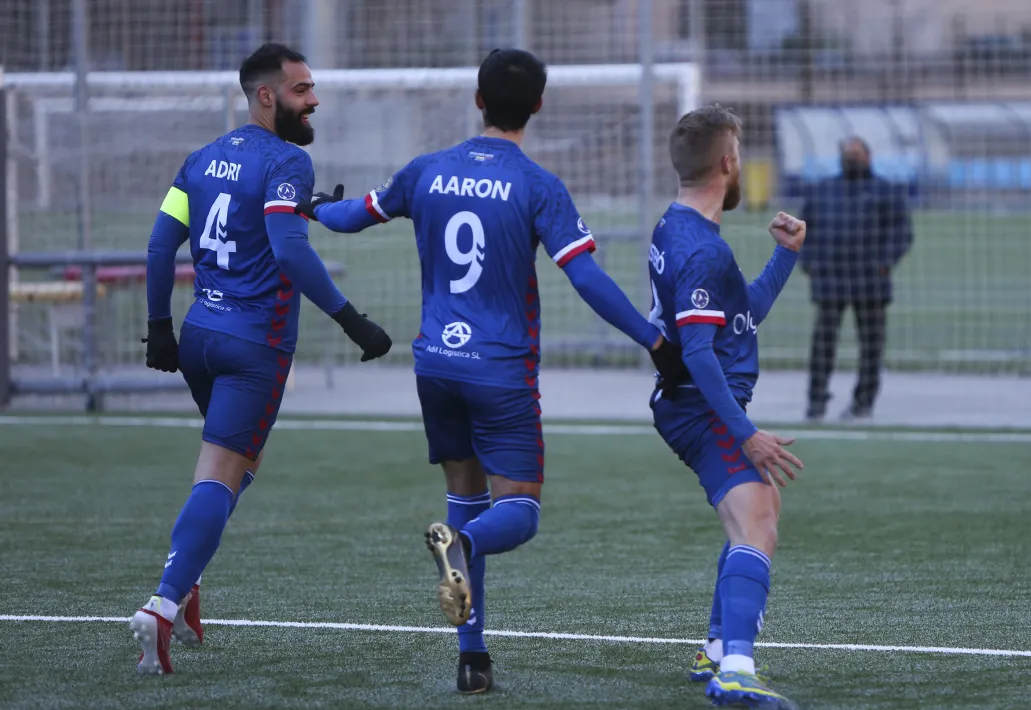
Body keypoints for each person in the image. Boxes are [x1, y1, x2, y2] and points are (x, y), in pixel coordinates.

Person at [295, 48, 684, 694]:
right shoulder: (537, 184)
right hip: (499, 371)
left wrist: (312, 207)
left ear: (477, 100)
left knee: (465, 502)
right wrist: (653, 340)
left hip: (436, 365)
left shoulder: (425, 170)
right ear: (538, 106)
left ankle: (472, 662)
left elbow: (350, 216)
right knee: (517, 513)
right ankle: (464, 550)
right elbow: (585, 277)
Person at [132, 42, 393, 675]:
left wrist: (160, 328)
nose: (314, 100)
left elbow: (161, 246)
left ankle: (186, 585)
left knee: (235, 464)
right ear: (266, 96)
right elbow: (289, 250)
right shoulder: (286, 161)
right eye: (302, 90)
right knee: (221, 474)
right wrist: (353, 321)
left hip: (199, 338)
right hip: (255, 348)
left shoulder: (201, 159)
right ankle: (161, 606)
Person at [646, 104, 804, 708]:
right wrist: (746, 432)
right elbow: (699, 352)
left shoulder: (678, 227)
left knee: (757, 511)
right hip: (701, 406)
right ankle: (736, 668)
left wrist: (785, 254)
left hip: (693, 402)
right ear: (729, 164)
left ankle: (716, 648)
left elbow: (739, 316)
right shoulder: (703, 251)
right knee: (757, 518)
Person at [799, 136, 913, 421]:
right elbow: (802, 229)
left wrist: (885, 263)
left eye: (856, 153)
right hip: (830, 279)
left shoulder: (886, 191)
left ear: (868, 156)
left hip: (870, 281)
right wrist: (808, 263)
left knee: (871, 346)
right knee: (823, 345)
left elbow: (902, 233)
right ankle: (816, 400)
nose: (851, 158)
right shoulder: (823, 190)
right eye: (847, 154)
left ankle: (863, 402)